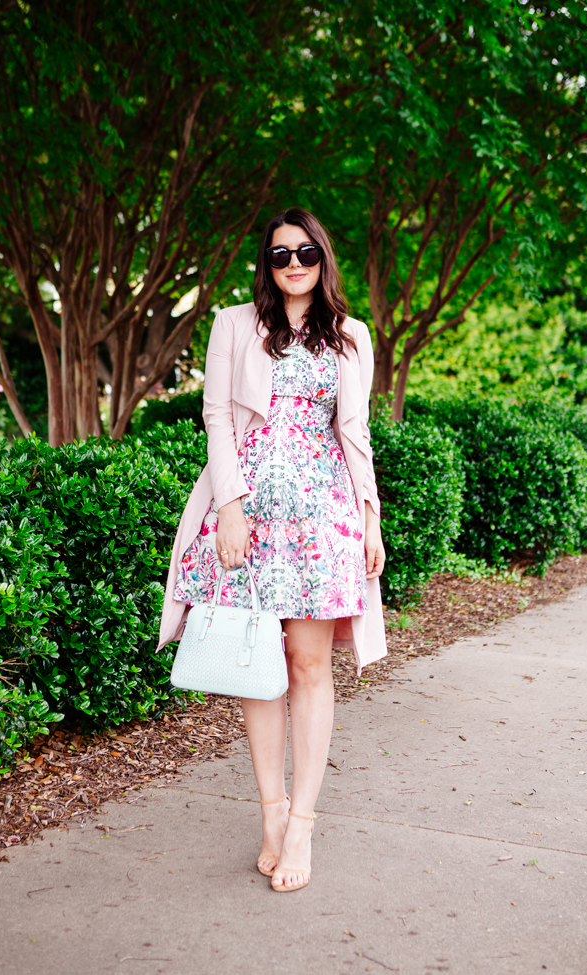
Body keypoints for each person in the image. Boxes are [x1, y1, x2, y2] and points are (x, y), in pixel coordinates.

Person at [158, 207, 387, 892]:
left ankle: (304, 823)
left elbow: (356, 431)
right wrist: (230, 506)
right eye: (281, 253)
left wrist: (370, 516)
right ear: (267, 261)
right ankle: (270, 811)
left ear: (324, 257)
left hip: (322, 517)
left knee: (309, 663)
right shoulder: (234, 324)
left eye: (306, 251)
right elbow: (218, 415)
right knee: (257, 662)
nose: (293, 263)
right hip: (249, 516)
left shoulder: (351, 335)